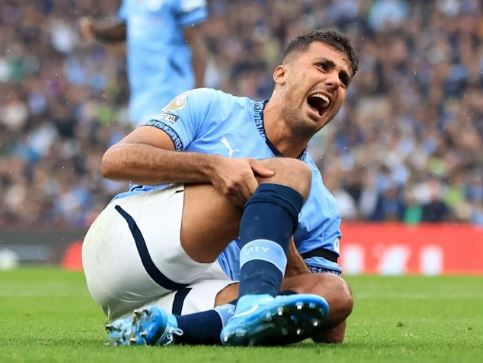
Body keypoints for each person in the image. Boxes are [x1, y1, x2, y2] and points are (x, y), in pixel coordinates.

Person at [82, 29, 358, 346]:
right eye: (323, 67)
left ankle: (169, 329)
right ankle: (253, 305)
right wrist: (214, 167)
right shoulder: (212, 107)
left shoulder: (321, 205)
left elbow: (329, 328)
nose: (335, 81)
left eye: (344, 79)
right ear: (281, 73)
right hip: (126, 249)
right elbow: (115, 160)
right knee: (286, 174)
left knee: (336, 293)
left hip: (196, 293)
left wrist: (282, 232)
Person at [79, 0, 208, 126]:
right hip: (142, 96)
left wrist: (198, 96)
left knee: (162, 145)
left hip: (172, 91)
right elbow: (126, 27)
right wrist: (96, 31)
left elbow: (197, 44)